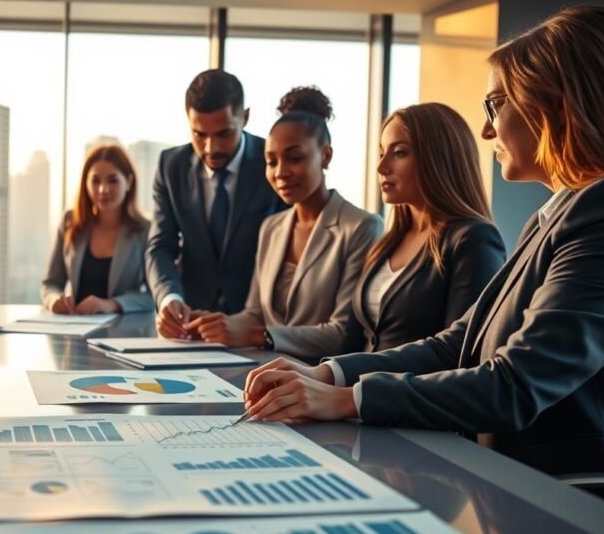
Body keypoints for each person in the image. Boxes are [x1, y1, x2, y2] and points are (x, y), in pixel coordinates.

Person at [244, 5, 604, 513]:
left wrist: (349, 400)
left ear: (558, 105)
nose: (486, 129)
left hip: (579, 507)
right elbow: (459, 343)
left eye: (496, 103)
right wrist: (330, 375)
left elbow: (515, 384)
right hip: (513, 489)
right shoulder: (556, 214)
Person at [187, 87, 381, 363]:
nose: (280, 173)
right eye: (271, 161)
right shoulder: (272, 227)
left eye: (295, 158)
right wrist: (214, 325)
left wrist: (259, 336)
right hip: (261, 370)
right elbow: (255, 313)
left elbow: (344, 334)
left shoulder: (361, 227)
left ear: (325, 156)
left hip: (319, 382)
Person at [351, 103, 505, 353]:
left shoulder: (473, 239)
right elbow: (353, 339)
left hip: (408, 391)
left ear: (439, 158)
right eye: (381, 153)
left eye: (399, 153)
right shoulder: (387, 243)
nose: (381, 167)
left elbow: (459, 350)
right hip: (353, 388)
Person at [147, 69, 285, 338]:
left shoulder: (274, 163)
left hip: (257, 328)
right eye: (199, 134)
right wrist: (168, 298)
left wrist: (253, 328)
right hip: (190, 328)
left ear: (244, 117)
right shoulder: (170, 166)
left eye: (224, 133)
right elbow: (160, 246)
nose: (211, 148)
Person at [41, 144, 153, 314]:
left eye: (112, 180)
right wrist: (54, 300)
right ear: (85, 183)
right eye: (95, 181)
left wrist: (112, 304)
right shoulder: (71, 222)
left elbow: (154, 295)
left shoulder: (146, 230)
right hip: (75, 327)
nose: (103, 189)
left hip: (124, 332)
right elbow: (51, 283)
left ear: (129, 182)